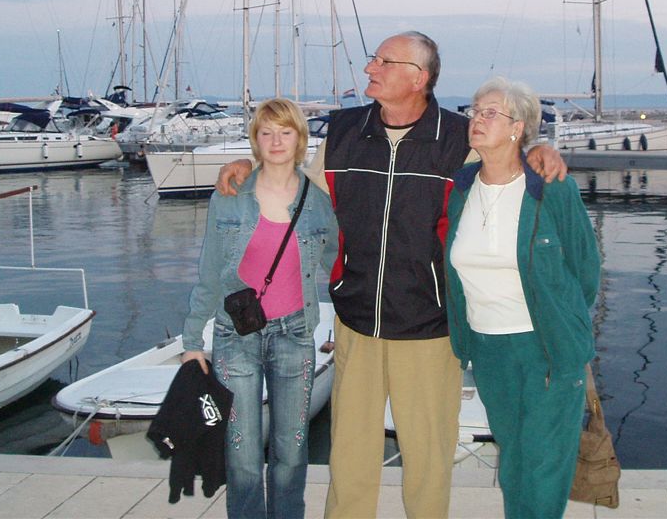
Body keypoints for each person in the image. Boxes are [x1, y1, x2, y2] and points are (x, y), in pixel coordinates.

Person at [216, 32, 566, 518]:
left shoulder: (457, 139)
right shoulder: (344, 132)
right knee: (349, 458)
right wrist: (249, 166)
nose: (370, 69)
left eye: (384, 61)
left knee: (428, 459)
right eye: (373, 59)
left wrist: (539, 151)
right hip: (356, 322)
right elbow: (294, 190)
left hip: (429, 326)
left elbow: (504, 168)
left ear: (418, 78)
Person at [443, 76, 600, 519]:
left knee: (544, 467)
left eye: (491, 112)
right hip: (488, 349)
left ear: (518, 127)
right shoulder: (461, 189)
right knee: (513, 460)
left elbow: (586, 271)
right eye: (475, 111)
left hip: (546, 347)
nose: (477, 119)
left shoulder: (551, 187)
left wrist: (563, 325)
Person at [181, 97, 338, 519]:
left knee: (291, 450)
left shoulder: (317, 202)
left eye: (285, 132)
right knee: (242, 452)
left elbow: (340, 266)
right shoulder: (230, 196)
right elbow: (210, 272)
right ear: (255, 140)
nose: (276, 141)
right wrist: (192, 341)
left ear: (300, 139)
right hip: (236, 336)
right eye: (266, 132)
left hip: (295, 335)